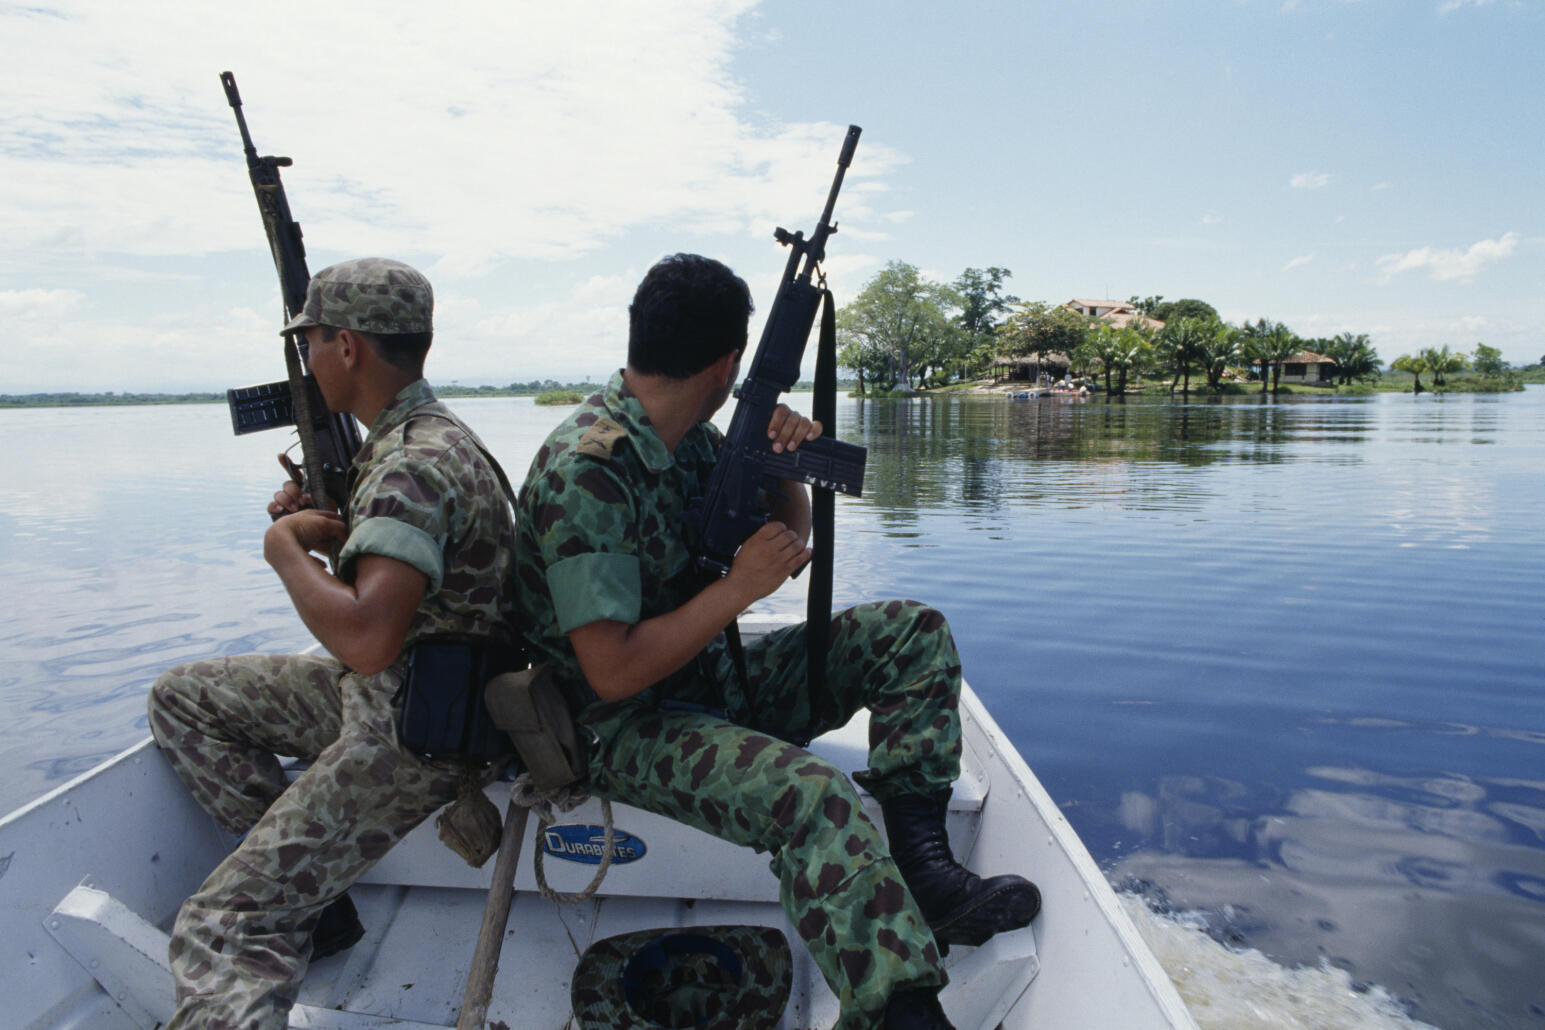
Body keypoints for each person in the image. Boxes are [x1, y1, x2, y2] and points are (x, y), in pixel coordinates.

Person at [512, 253, 1040, 1030]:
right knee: (812, 794)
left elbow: (785, 549)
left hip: (706, 681)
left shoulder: (692, 441)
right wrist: (733, 590)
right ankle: (900, 1009)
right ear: (728, 361)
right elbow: (613, 671)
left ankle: (923, 873)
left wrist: (778, 464)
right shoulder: (588, 469)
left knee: (911, 634)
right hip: (619, 725)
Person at [147, 258, 516, 1030]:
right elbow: (412, 580)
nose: (305, 360)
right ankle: (317, 905)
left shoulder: (411, 463)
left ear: (346, 347)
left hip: (416, 731)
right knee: (183, 699)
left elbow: (369, 635)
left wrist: (284, 549)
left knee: (223, 927)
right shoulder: (419, 440)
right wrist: (336, 519)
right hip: (398, 690)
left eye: (310, 341)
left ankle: (278, 908)